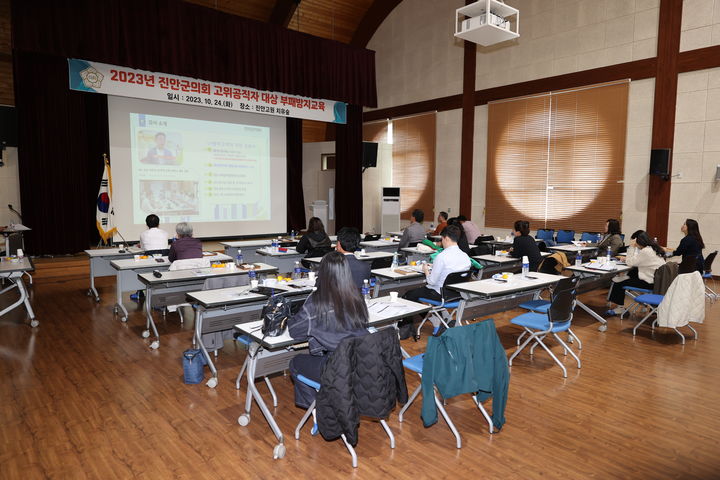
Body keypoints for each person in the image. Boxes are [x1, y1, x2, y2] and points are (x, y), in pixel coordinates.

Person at [288, 252, 369, 408]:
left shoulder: (316, 302)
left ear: (323, 272)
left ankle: (318, 408)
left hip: (335, 367)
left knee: (295, 362)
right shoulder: (357, 296)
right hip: (360, 362)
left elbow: (295, 332)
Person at [400, 225, 471, 338]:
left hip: (440, 295)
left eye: (441, 239)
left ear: (446, 238)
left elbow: (431, 282)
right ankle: (446, 317)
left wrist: (426, 270)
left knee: (409, 295)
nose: (441, 242)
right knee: (428, 290)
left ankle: (435, 321)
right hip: (457, 294)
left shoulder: (442, 257)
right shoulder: (465, 257)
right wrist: (435, 267)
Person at [606, 231, 666, 315]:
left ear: (638, 240)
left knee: (618, 283)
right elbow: (636, 261)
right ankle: (643, 304)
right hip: (656, 281)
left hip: (650, 282)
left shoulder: (646, 251)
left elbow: (630, 262)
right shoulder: (653, 248)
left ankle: (620, 308)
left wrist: (631, 247)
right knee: (633, 271)